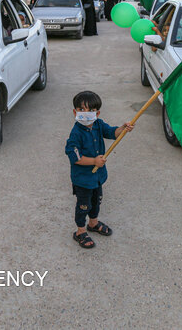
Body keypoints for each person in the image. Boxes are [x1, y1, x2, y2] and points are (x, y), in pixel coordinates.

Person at [65, 91, 134, 249]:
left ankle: (93, 223)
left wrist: (123, 128)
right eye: (82, 110)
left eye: (91, 110)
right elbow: (75, 157)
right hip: (82, 180)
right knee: (83, 205)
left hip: (97, 177)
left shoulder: (98, 124)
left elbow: (112, 132)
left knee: (96, 201)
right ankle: (80, 231)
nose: (86, 114)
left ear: (97, 113)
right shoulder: (75, 134)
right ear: (75, 112)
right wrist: (94, 161)